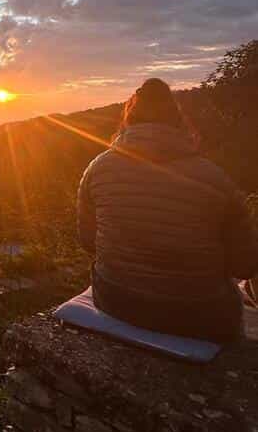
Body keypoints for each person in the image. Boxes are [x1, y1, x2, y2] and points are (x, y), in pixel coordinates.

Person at [77, 78, 257, 343]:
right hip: (199, 314)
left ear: (129, 118)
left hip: (116, 301)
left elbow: (88, 242)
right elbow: (244, 266)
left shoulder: (97, 169)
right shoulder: (216, 179)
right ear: (177, 121)